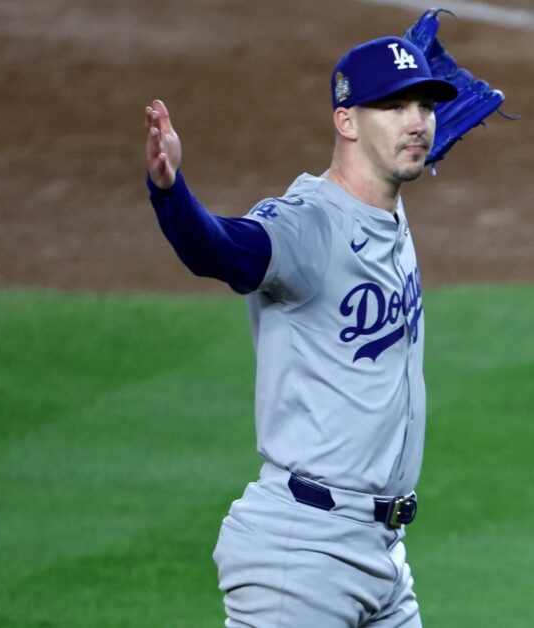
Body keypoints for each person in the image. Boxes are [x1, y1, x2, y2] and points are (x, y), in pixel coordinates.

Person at [144, 34, 458, 627]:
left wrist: (404, 132)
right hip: (302, 555)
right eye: (393, 107)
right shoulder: (306, 225)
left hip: (384, 556)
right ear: (345, 119)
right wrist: (170, 194)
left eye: (425, 107)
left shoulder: (386, 205)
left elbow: (391, 163)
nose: (417, 122)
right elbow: (219, 248)